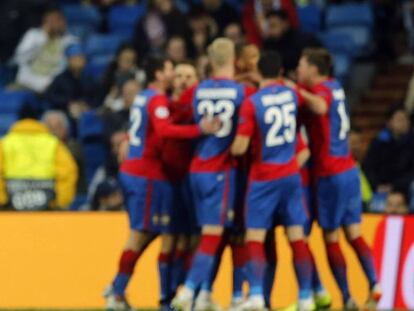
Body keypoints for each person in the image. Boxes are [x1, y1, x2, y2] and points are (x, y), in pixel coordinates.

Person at [104, 56, 220, 310]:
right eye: (171, 71)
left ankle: (169, 296)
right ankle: (118, 291)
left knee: (165, 234)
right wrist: (201, 129)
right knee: (144, 233)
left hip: (163, 176)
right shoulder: (157, 99)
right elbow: (164, 129)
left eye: (186, 75)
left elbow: (145, 126)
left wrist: (127, 138)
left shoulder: (152, 97)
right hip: (148, 174)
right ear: (160, 74)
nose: (176, 76)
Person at [230, 50, 327, 311]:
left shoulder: (253, 102)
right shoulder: (291, 94)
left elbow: (240, 147)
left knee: (255, 237)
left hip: (263, 178)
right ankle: (306, 296)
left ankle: (257, 295)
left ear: (259, 72)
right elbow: (315, 109)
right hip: (291, 176)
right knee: (297, 238)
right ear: (282, 73)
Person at [296, 48, 382, 309]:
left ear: (313, 69)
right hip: (349, 170)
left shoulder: (321, 91)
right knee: (354, 232)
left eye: (301, 65)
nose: (298, 71)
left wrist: (293, 89)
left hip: (330, 174)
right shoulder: (335, 86)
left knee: (331, 237)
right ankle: (374, 283)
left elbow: (320, 106)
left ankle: (346, 297)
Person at [171, 38, 251, 311]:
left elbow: (185, 117)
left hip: (197, 167)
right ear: (235, 59)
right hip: (221, 169)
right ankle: (188, 292)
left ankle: (205, 293)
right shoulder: (241, 93)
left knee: (211, 233)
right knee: (213, 235)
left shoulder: (198, 90)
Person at [0, 105, 77, 211]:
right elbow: (67, 173)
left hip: (11, 206)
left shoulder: (5, 143)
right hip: (47, 206)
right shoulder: (54, 143)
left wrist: (3, 201)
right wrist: (59, 203)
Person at [12, 7, 77, 93]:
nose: (57, 24)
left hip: (49, 89)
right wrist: (43, 37)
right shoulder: (33, 35)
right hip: (24, 85)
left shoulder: (70, 41)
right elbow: (19, 59)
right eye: (52, 21)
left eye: (59, 19)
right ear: (45, 22)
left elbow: (68, 68)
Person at [363, 107, 414, 199]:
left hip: (405, 189)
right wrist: (377, 185)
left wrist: (394, 186)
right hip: (379, 188)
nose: (403, 123)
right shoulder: (379, 142)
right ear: (390, 122)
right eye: (399, 119)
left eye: (405, 120)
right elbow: (368, 167)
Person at [262, 10, 321, 78]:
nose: (270, 30)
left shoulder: (304, 40)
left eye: (273, 26)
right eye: (268, 27)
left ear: (285, 23)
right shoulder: (268, 44)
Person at [42, 110, 87, 197]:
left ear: (66, 129)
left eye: (57, 127)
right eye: (49, 127)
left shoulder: (74, 147)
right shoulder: (39, 149)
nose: (53, 132)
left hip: (74, 196)